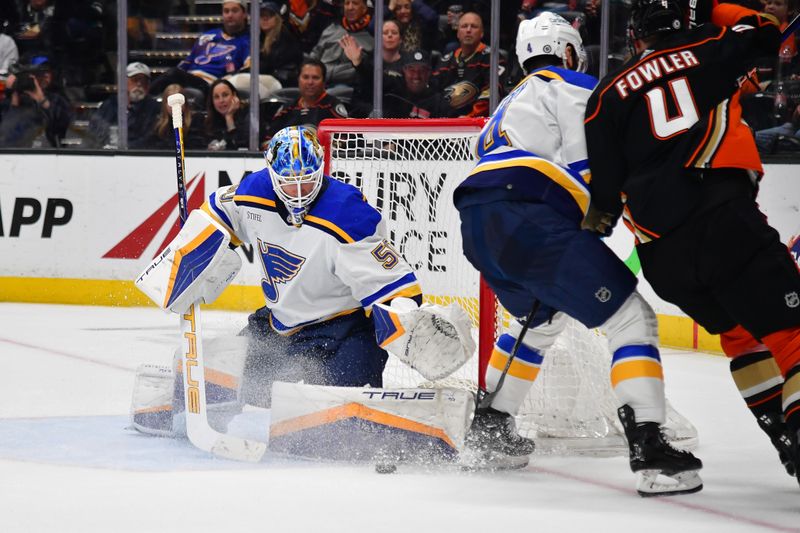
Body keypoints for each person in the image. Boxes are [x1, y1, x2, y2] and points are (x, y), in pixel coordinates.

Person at [453, 12, 703, 496]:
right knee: (631, 320)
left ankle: (489, 430)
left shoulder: (504, 106)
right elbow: (592, 172)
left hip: (477, 222)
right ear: (568, 51)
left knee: (538, 323)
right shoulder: (572, 86)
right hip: (529, 212)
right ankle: (651, 447)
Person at [583, 0, 800, 484]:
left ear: (636, 39)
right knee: (793, 331)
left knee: (743, 338)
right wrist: (719, 10)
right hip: (725, 221)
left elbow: (603, 204)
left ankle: (784, 439)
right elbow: (769, 31)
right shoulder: (712, 46)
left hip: (664, 258)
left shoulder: (606, 95)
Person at [130, 125, 456, 438]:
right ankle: (177, 409)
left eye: (306, 181)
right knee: (221, 373)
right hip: (279, 328)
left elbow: (391, 284)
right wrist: (192, 255)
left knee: (348, 421)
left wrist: (404, 319)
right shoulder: (253, 193)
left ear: (321, 170)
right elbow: (219, 212)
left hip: (343, 330)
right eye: (288, 183)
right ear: (271, 174)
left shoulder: (347, 215)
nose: (298, 193)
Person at [148, 0, 251, 98]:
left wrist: (227, 80)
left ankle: (145, 98)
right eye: (226, 11)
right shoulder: (208, 35)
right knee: (173, 81)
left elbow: (248, 67)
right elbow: (188, 62)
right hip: (191, 79)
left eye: (234, 10)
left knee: (174, 75)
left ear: (245, 14)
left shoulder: (247, 40)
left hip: (212, 85)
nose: (230, 15)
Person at [431, 11, 505, 117]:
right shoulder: (445, 60)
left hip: (478, 123)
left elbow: (492, 93)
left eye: (474, 26)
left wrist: (469, 117)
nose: (468, 30)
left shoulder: (493, 58)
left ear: (482, 33)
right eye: (464, 26)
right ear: (458, 33)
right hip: (445, 123)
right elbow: (434, 92)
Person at [263, 59, 348, 143]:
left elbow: (346, 141)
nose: (310, 82)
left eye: (315, 78)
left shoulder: (333, 107)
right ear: (298, 79)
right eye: (305, 77)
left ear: (324, 81)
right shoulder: (286, 109)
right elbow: (268, 142)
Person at [0, 56, 72, 148]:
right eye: (38, 74)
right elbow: (6, 132)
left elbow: (63, 126)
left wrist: (41, 99)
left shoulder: (57, 100)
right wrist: (14, 95)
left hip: (46, 154)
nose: (43, 77)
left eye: (46, 73)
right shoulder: (7, 103)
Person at [85, 61, 160, 149]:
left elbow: (151, 139)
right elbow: (94, 132)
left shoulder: (154, 108)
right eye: (135, 80)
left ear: (148, 86)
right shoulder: (110, 105)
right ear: (124, 82)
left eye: (143, 81)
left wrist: (128, 147)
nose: (139, 84)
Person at [308, 0, 374, 88]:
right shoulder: (331, 29)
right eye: (347, 3)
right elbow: (314, 56)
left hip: (347, 89)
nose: (350, 8)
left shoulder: (371, 39)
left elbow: (364, 72)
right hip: (317, 83)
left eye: (355, 3)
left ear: (364, 8)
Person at [135, 84, 206, 150]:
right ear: (164, 104)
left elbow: (197, 145)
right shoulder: (158, 124)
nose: (174, 106)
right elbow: (147, 144)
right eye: (171, 102)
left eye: (178, 102)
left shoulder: (196, 120)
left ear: (185, 104)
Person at [384, 49, 451, 118]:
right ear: (404, 70)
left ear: (429, 72)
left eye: (422, 70)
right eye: (411, 70)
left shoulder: (438, 102)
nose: (416, 75)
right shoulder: (392, 95)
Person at [204, 78, 250, 151]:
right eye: (216, 97)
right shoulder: (208, 121)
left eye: (225, 95)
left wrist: (229, 118)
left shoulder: (248, 115)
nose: (221, 100)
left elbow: (242, 147)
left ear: (234, 95)